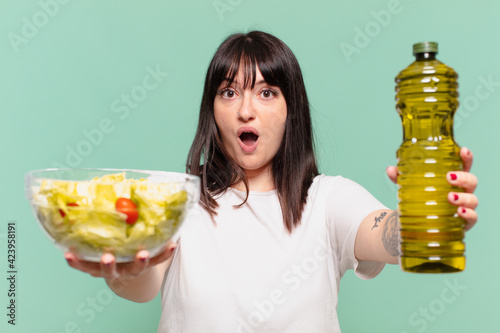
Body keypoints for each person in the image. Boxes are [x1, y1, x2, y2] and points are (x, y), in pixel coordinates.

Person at [64, 31, 479, 332]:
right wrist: (122, 268)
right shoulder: (177, 200)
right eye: (229, 92)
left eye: (266, 92)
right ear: (212, 111)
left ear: (290, 109)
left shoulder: (327, 200)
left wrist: (430, 213)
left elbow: (389, 235)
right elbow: (143, 286)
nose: (246, 110)